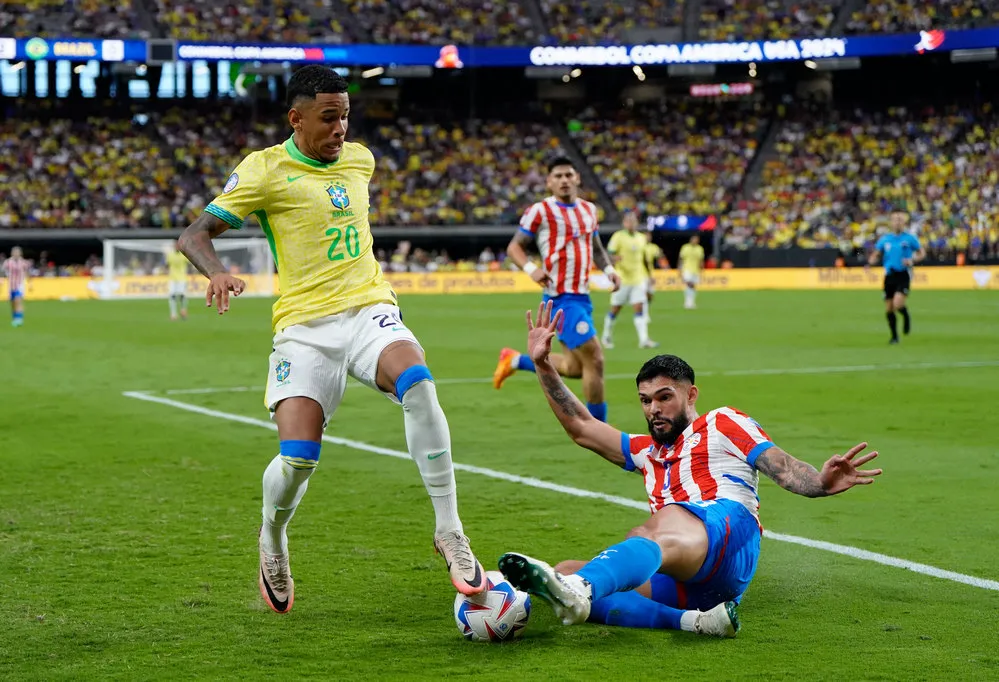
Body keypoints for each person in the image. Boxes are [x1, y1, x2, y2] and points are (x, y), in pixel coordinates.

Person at [177, 65, 485, 614]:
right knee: (298, 459)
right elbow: (193, 234)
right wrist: (216, 272)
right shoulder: (264, 169)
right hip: (304, 328)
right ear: (296, 118)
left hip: (369, 309)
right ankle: (272, 539)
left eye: (345, 115)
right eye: (328, 117)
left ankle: (450, 530)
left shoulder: (361, 160)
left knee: (418, 383)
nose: (341, 127)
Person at [498, 301, 883, 637]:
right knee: (566, 570)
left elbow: (779, 466)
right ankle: (697, 622)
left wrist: (818, 482)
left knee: (660, 524)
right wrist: (544, 364)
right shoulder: (646, 450)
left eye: (665, 397)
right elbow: (581, 427)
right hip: (694, 581)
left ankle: (581, 589)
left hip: (729, 536)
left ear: (690, 394)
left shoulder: (721, 423)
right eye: (646, 400)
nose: (654, 409)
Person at [493, 157, 621, 423]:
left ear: (577, 179)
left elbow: (595, 246)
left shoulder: (589, 210)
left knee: (576, 367)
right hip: (561, 298)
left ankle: (515, 360)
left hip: (582, 297)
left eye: (568, 175)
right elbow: (514, 247)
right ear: (549, 182)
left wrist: (609, 271)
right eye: (558, 176)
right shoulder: (540, 211)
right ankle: (600, 428)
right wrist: (531, 269)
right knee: (595, 359)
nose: (564, 180)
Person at [600, 210, 658, 349]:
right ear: (624, 223)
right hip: (622, 279)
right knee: (615, 309)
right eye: (628, 221)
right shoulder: (618, 236)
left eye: (633, 221)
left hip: (638, 279)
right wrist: (614, 259)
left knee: (639, 308)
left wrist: (649, 275)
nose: (631, 224)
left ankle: (643, 340)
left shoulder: (641, 238)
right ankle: (606, 336)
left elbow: (644, 258)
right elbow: (609, 254)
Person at [868, 210, 924, 344]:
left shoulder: (910, 238)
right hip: (889, 275)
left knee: (897, 304)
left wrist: (913, 260)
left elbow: (921, 253)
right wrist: (871, 261)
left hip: (903, 274)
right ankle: (894, 336)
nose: (897, 222)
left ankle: (905, 315)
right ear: (891, 222)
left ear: (904, 222)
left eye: (900, 220)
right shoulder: (885, 239)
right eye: (895, 219)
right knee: (889, 308)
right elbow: (876, 254)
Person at [3, 246, 30, 327]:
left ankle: (19, 319)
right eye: (14, 252)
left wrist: (29, 282)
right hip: (11, 285)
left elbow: (27, 272)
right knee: (12, 303)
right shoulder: (8, 262)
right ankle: (15, 317)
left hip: (19, 284)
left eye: (17, 252)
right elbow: (4, 272)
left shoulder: (24, 263)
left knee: (18, 301)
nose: (16, 254)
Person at [678, 234, 705, 310]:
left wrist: (702, 270)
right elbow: (681, 259)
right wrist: (679, 269)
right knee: (689, 284)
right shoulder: (685, 247)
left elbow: (701, 260)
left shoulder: (700, 249)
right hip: (686, 269)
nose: (695, 241)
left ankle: (691, 302)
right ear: (691, 239)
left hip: (695, 270)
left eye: (696, 239)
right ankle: (688, 302)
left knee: (693, 286)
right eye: (694, 239)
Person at [166, 241, 190, 321]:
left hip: (182, 278)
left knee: (182, 295)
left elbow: (189, 264)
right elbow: (167, 265)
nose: (176, 246)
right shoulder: (170, 255)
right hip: (172, 278)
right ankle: (173, 314)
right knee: (172, 296)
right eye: (175, 245)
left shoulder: (184, 255)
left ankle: (183, 310)